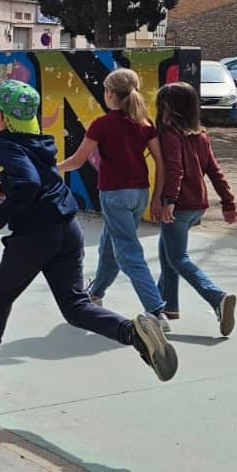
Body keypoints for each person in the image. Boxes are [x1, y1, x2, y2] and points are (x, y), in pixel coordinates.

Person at [0, 80, 178, 395]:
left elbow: (29, 184)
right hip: (67, 227)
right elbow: (39, 179)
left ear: (3, 115)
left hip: (36, 234)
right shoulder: (39, 141)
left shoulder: (5, 145)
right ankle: (134, 334)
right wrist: (5, 186)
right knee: (75, 307)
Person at [60, 68, 170, 329]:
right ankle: (95, 294)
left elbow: (77, 161)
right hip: (139, 195)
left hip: (114, 195)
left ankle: (157, 311)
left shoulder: (102, 124)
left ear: (110, 93)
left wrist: (49, 169)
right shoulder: (145, 124)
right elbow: (161, 162)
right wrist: (157, 197)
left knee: (129, 252)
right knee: (109, 246)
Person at [152, 82, 237, 336]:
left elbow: (175, 169)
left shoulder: (170, 135)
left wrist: (168, 200)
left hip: (179, 206)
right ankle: (166, 308)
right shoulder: (200, 135)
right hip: (196, 206)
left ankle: (217, 297)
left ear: (167, 107)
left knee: (178, 258)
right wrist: (228, 203)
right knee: (167, 255)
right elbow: (215, 171)